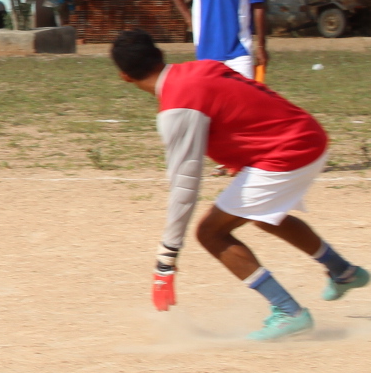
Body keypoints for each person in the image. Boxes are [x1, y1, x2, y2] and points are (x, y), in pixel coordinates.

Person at [111, 29, 363, 340]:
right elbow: (245, 102)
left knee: (211, 232)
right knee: (265, 216)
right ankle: (342, 271)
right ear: (160, 54)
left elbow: (185, 186)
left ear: (124, 77)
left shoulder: (176, 107)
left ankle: (289, 312)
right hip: (307, 134)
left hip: (287, 153)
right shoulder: (201, 67)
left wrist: (166, 259)